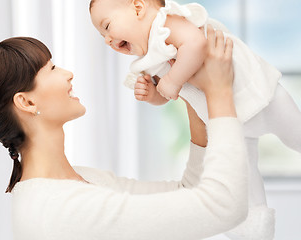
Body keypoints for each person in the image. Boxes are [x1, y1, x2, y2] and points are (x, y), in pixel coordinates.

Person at [0, 30, 247, 239]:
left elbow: (190, 193)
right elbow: (224, 207)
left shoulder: (85, 181)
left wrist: (187, 87)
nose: (68, 74)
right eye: (51, 69)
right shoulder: (57, 208)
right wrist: (219, 92)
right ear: (27, 102)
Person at [90, 0, 301, 238]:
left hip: (261, 98)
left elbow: (196, 44)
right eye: (101, 35)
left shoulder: (166, 22)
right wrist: (153, 94)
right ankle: (254, 233)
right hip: (231, 124)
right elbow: (168, 95)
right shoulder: (149, 60)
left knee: (296, 134)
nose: (107, 39)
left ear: (138, 8)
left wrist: (173, 80)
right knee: (244, 189)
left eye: (107, 26)